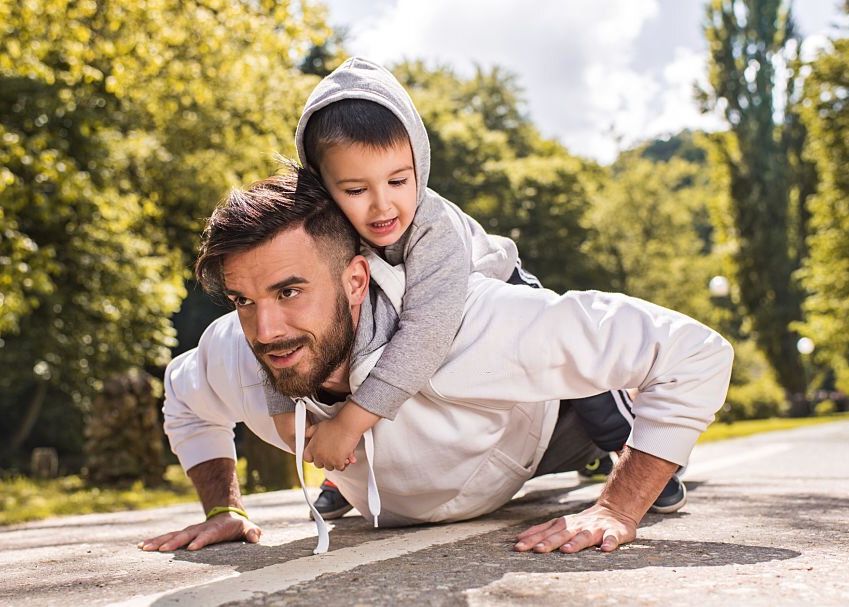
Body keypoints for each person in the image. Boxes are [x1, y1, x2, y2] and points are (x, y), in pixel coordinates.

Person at [139, 168, 734, 555]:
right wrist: (223, 506)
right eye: (244, 300)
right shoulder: (235, 352)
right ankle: (358, 482)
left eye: (290, 291)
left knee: (600, 392)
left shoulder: (474, 329)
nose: (264, 330)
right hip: (408, 483)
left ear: (355, 281)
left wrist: (619, 505)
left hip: (544, 432)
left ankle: (613, 423)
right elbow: (185, 401)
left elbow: (693, 354)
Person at [266, 57, 668, 518]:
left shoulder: (433, 228)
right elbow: (269, 306)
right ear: (320, 185)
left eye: (399, 180)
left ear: (420, 161)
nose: (383, 205)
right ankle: (348, 475)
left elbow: (425, 333)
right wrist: (284, 410)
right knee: (351, 353)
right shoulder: (314, 232)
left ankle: (630, 449)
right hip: (400, 310)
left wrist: (351, 423)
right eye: (355, 190)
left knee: (573, 362)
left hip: (486, 288)